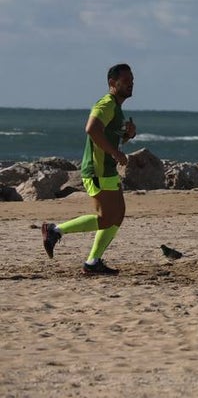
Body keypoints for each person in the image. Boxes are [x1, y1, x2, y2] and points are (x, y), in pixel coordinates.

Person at [41, 63, 137, 275]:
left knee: (117, 216)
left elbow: (109, 136)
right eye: (126, 81)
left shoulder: (116, 108)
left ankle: (93, 262)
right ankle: (55, 231)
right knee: (105, 218)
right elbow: (92, 129)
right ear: (112, 83)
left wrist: (129, 134)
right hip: (97, 170)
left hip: (107, 169)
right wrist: (115, 153)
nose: (131, 84)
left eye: (132, 80)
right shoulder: (106, 103)